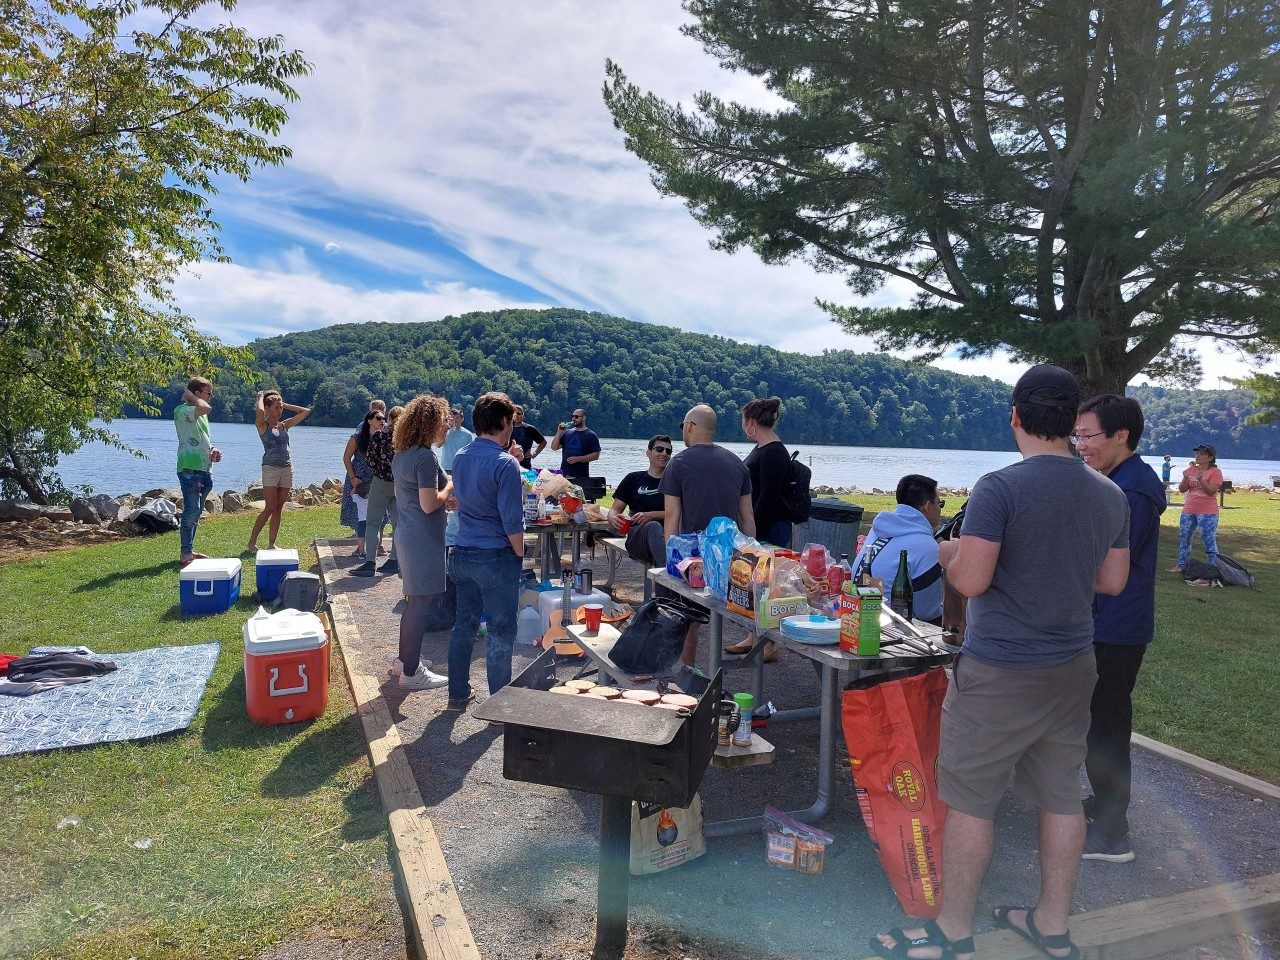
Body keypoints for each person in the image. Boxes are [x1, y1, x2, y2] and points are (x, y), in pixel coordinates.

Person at [872, 364, 1129, 960]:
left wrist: (949, 550)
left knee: (971, 799)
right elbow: (1112, 581)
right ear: (1072, 422)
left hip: (1000, 671)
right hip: (1072, 667)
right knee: (1062, 796)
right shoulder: (1109, 492)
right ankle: (1053, 927)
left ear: (1015, 416)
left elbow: (975, 579)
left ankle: (953, 934)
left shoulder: (999, 488)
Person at [1072, 394, 1166, 864]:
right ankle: (1104, 803)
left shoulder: (1133, 492)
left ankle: (1112, 833)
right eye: (1078, 436)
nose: (1081, 445)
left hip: (1115, 627)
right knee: (1097, 722)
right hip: (1103, 621)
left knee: (1105, 727)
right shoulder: (1118, 480)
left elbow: (1108, 561)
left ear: (1121, 435)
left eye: (1088, 435)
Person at [446, 392, 526, 710]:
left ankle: (457, 694)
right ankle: (498, 704)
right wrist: (521, 555)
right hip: (494, 556)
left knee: (464, 624)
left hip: (461, 553)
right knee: (500, 629)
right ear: (504, 422)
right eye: (511, 424)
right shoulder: (505, 464)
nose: (512, 431)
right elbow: (512, 521)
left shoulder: (461, 456)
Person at [661, 404, 755, 666]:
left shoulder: (678, 463)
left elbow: (672, 517)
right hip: (731, 557)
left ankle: (686, 673)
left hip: (693, 559)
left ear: (690, 426)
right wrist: (750, 559)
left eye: (683, 427)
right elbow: (747, 518)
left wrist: (670, 563)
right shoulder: (737, 463)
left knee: (688, 617)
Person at [388, 394, 452, 690]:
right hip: (422, 539)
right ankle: (412, 673)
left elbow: (418, 498)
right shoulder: (425, 457)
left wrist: (443, 497)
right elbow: (429, 503)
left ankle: (404, 662)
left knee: (414, 601)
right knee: (420, 605)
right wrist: (450, 484)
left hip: (407, 534)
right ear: (429, 424)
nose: (446, 427)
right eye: (443, 422)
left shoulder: (403, 453)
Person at [850, 474, 945, 624]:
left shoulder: (878, 529)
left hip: (856, 612)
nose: (940, 510)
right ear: (927, 506)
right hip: (888, 626)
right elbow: (928, 613)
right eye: (940, 504)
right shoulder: (927, 546)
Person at [246, 390, 311, 552]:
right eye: (276, 407)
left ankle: (271, 544)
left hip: (287, 468)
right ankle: (251, 544)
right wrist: (261, 397)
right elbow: (260, 412)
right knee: (270, 506)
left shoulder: (284, 425)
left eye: (281, 407)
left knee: (279, 507)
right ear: (267, 408)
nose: (280, 410)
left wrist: (284, 403)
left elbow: (305, 412)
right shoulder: (262, 425)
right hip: (270, 468)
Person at [174, 376, 222, 566]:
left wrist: (212, 451)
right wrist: (191, 398)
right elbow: (206, 407)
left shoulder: (200, 415)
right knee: (191, 510)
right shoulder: (182, 410)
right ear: (196, 394)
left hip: (203, 468)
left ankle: (189, 550)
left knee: (196, 511)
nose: (211, 397)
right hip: (189, 469)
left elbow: (200, 439)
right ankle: (185, 554)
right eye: (208, 393)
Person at [353, 405, 403, 578]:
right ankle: (394, 560)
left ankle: (370, 563)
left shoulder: (380, 436)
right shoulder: (406, 440)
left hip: (381, 482)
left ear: (389, 419)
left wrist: (380, 469)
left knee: (373, 523)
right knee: (397, 523)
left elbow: (370, 460)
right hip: (399, 485)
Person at [608, 434, 673, 565]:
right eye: (659, 449)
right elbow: (614, 510)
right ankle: (668, 571)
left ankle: (666, 574)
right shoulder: (633, 479)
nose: (664, 453)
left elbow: (681, 513)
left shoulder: (674, 482)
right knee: (653, 527)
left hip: (668, 537)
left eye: (668, 451)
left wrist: (652, 515)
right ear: (648, 453)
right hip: (637, 538)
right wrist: (613, 518)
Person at [741, 397, 795, 549]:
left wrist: (752, 531)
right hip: (763, 527)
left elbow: (768, 497)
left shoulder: (773, 452)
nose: (743, 425)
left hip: (770, 530)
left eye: (743, 420)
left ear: (751, 421)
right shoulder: (762, 447)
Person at [1172, 444, 1223, 573]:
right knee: (1184, 539)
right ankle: (1181, 565)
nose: (1197, 456)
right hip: (1189, 510)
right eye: (1197, 453)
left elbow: (1211, 491)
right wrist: (1185, 477)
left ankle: (1214, 568)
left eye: (1202, 454)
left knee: (1208, 540)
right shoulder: (1191, 470)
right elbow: (1182, 489)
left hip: (1207, 512)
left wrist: (1201, 479)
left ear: (1210, 457)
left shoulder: (1215, 472)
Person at [340, 411, 379, 556]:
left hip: (376, 479)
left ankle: (375, 546)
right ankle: (360, 546)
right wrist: (353, 478)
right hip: (358, 478)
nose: (383, 421)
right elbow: (346, 458)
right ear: (369, 421)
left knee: (378, 513)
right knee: (358, 512)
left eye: (384, 418)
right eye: (379, 418)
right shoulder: (356, 438)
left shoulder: (382, 438)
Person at [549, 408, 600, 480]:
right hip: (564, 475)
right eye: (572, 416)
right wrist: (559, 432)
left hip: (580, 477)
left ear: (584, 418)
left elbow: (596, 455)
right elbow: (554, 447)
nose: (573, 419)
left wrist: (578, 459)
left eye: (576, 417)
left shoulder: (591, 435)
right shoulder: (567, 433)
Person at [509, 405, 547, 470]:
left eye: (518, 413)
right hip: (508, 464)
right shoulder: (507, 428)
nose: (516, 415)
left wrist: (534, 454)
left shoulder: (530, 429)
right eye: (514, 413)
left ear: (523, 415)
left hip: (525, 465)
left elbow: (543, 442)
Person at [439, 407, 475, 472]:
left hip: (461, 468)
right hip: (445, 468)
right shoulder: (445, 431)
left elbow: (470, 453)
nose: (455, 420)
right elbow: (438, 445)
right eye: (453, 419)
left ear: (462, 419)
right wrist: (448, 428)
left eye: (458, 418)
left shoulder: (468, 434)